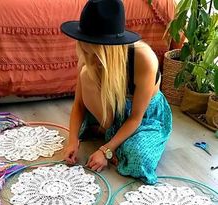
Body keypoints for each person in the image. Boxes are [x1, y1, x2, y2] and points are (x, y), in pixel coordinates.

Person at [61, 0, 172, 184]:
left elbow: (136, 117)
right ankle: (110, 135)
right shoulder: (88, 56)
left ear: (110, 51)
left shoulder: (144, 59)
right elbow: (79, 105)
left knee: (139, 159)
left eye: (95, 56)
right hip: (110, 107)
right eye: (85, 52)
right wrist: (72, 141)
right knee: (86, 74)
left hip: (143, 117)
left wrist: (105, 150)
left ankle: (108, 136)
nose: (88, 59)